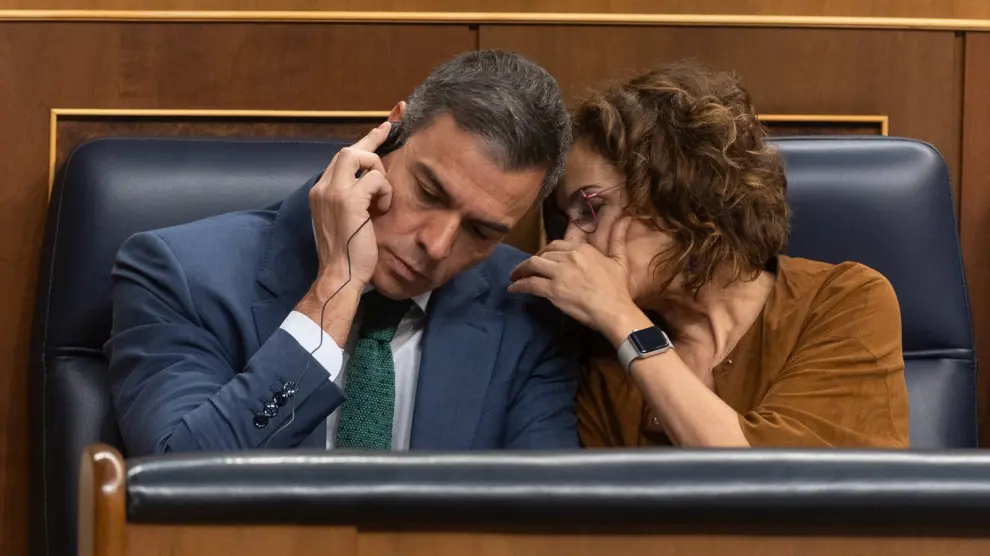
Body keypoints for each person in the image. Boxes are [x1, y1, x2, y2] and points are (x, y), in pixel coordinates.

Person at [106, 50, 578, 456]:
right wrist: (336, 286)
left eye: (480, 231)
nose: (436, 246)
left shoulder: (525, 313)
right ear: (389, 135)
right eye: (430, 193)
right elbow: (180, 479)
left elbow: (549, 516)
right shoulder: (181, 274)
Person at [510, 60, 909, 448]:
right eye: (567, 221)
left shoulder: (846, 300)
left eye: (591, 207)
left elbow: (779, 482)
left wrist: (622, 319)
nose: (572, 242)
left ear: (678, 194)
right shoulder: (597, 353)